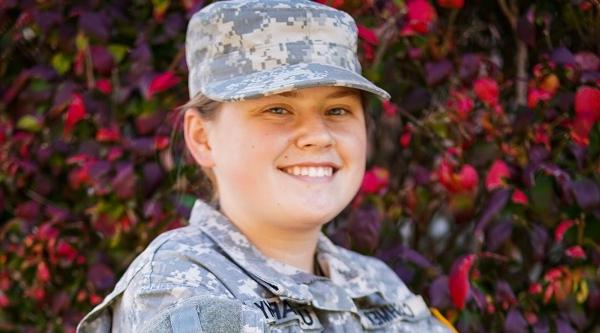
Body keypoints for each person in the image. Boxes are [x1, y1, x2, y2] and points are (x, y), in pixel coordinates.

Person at [77, 0, 454, 332]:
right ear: (203, 138)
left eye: (337, 110)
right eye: (277, 109)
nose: (318, 136)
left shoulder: (377, 285)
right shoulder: (178, 287)